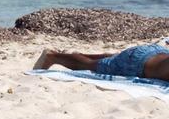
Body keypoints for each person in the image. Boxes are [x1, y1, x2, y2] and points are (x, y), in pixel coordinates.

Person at [33, 45, 169, 80]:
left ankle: (75, 55)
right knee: (88, 66)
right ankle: (53, 57)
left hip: (153, 51)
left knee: (111, 60)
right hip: (136, 63)